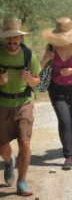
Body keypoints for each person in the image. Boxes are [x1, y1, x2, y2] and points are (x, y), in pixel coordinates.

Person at [41, 17, 72, 170]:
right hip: (56, 88)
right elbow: (40, 67)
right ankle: (68, 155)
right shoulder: (50, 47)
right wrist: (46, 59)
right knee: (64, 120)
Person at [0, 18, 41, 196]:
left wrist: (30, 80)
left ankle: (22, 181)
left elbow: (37, 80)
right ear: (3, 39)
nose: (12, 42)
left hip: (24, 103)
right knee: (2, 145)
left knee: (25, 143)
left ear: (20, 38)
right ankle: (9, 162)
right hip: (2, 104)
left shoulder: (28, 55)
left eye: (15, 38)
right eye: (8, 38)